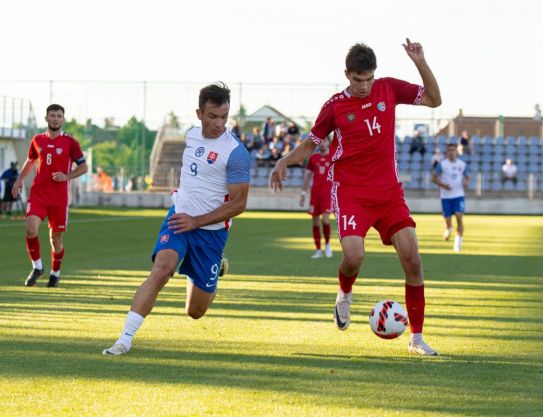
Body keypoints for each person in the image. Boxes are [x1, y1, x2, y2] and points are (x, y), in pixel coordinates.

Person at [271, 39, 442, 356]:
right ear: (347, 75)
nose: (364, 86)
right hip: (351, 192)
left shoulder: (388, 89)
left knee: (413, 260)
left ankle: (416, 338)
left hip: (389, 192)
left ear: (375, 75)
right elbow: (310, 144)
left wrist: (420, 61)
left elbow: (434, 100)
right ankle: (344, 294)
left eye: (369, 79)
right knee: (354, 257)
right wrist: (283, 160)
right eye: (357, 80)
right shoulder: (334, 106)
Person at [103, 82, 251, 356]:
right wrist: (189, 217)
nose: (219, 124)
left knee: (195, 312)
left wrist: (198, 221)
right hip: (179, 217)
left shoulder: (236, 153)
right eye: (212, 116)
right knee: (162, 269)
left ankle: (216, 267)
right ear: (199, 113)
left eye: (224, 117)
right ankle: (124, 339)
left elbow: (240, 204)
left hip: (211, 232)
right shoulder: (191, 136)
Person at [12, 104, 88, 288]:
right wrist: (19, 179)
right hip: (38, 194)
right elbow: (30, 161)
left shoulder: (71, 142)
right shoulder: (37, 140)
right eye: (52, 115)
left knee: (56, 239)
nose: (55, 119)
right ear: (46, 118)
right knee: (31, 229)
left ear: (63, 119)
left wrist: (66, 176)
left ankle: (55, 273)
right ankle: (37, 267)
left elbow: (83, 167)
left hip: (59, 198)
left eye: (59, 116)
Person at [432, 143, 470, 252]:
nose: (451, 152)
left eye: (453, 150)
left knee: (459, 217)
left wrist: (466, 182)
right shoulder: (442, 165)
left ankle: (457, 244)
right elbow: (434, 178)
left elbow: (467, 177)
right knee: (448, 221)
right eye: (449, 150)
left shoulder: (462, 164)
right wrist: (443, 185)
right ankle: (448, 229)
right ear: (447, 152)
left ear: (456, 151)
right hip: (446, 197)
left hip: (458, 195)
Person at [300, 138, 333, 259]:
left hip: (328, 194)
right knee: (315, 222)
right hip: (315, 195)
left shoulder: (334, 157)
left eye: (325, 141)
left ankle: (328, 245)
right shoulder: (313, 158)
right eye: (320, 141)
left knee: (325, 221)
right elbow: (308, 177)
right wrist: (303, 193)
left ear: (329, 142)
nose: (322, 143)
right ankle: (318, 249)